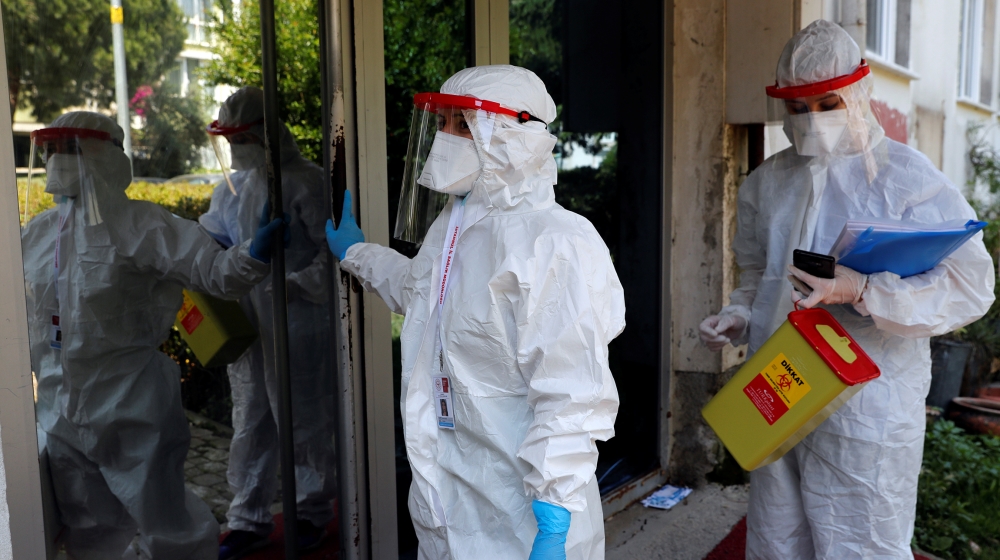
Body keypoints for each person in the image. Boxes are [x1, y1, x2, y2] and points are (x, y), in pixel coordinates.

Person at [698, 20, 995, 559]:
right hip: (781, 387)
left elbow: (970, 286)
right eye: (797, 108)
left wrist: (863, 289)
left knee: (861, 544)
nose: (812, 120)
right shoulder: (768, 182)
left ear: (859, 91)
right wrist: (737, 316)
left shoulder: (908, 179)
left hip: (867, 407)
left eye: (827, 102)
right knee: (775, 539)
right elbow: (756, 272)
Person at [326, 65, 625, 559]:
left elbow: (572, 392)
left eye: (463, 124)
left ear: (514, 136)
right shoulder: (456, 225)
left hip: (524, 516)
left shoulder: (555, 243)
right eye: (441, 123)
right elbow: (424, 297)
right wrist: (358, 254)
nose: (445, 137)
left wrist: (554, 511)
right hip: (451, 505)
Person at [21, 111, 284, 559]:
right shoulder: (41, 232)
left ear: (103, 154)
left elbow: (213, 272)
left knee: (167, 520)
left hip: (130, 402)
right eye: (50, 150)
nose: (56, 161)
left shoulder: (142, 225)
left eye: (70, 148)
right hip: (57, 405)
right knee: (88, 523)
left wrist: (253, 255)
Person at [198, 87, 336, 559]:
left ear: (263, 133)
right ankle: (247, 518)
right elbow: (211, 245)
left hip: (298, 317)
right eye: (228, 138)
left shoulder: (307, 182)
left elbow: (333, 253)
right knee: (250, 417)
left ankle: (311, 513)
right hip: (251, 320)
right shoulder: (228, 190)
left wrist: (297, 284)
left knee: (304, 415)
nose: (234, 149)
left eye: (240, 138)